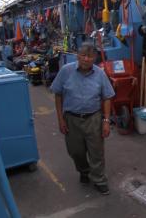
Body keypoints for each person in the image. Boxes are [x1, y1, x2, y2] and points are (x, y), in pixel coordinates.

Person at [50, 43, 115, 195]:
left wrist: (106, 121)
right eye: (83, 55)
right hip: (72, 119)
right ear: (77, 56)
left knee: (96, 151)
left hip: (93, 118)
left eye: (90, 56)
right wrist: (60, 119)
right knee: (75, 151)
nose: (86, 59)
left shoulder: (100, 74)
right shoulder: (66, 71)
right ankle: (84, 171)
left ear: (95, 58)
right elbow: (58, 94)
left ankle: (99, 179)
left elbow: (107, 98)